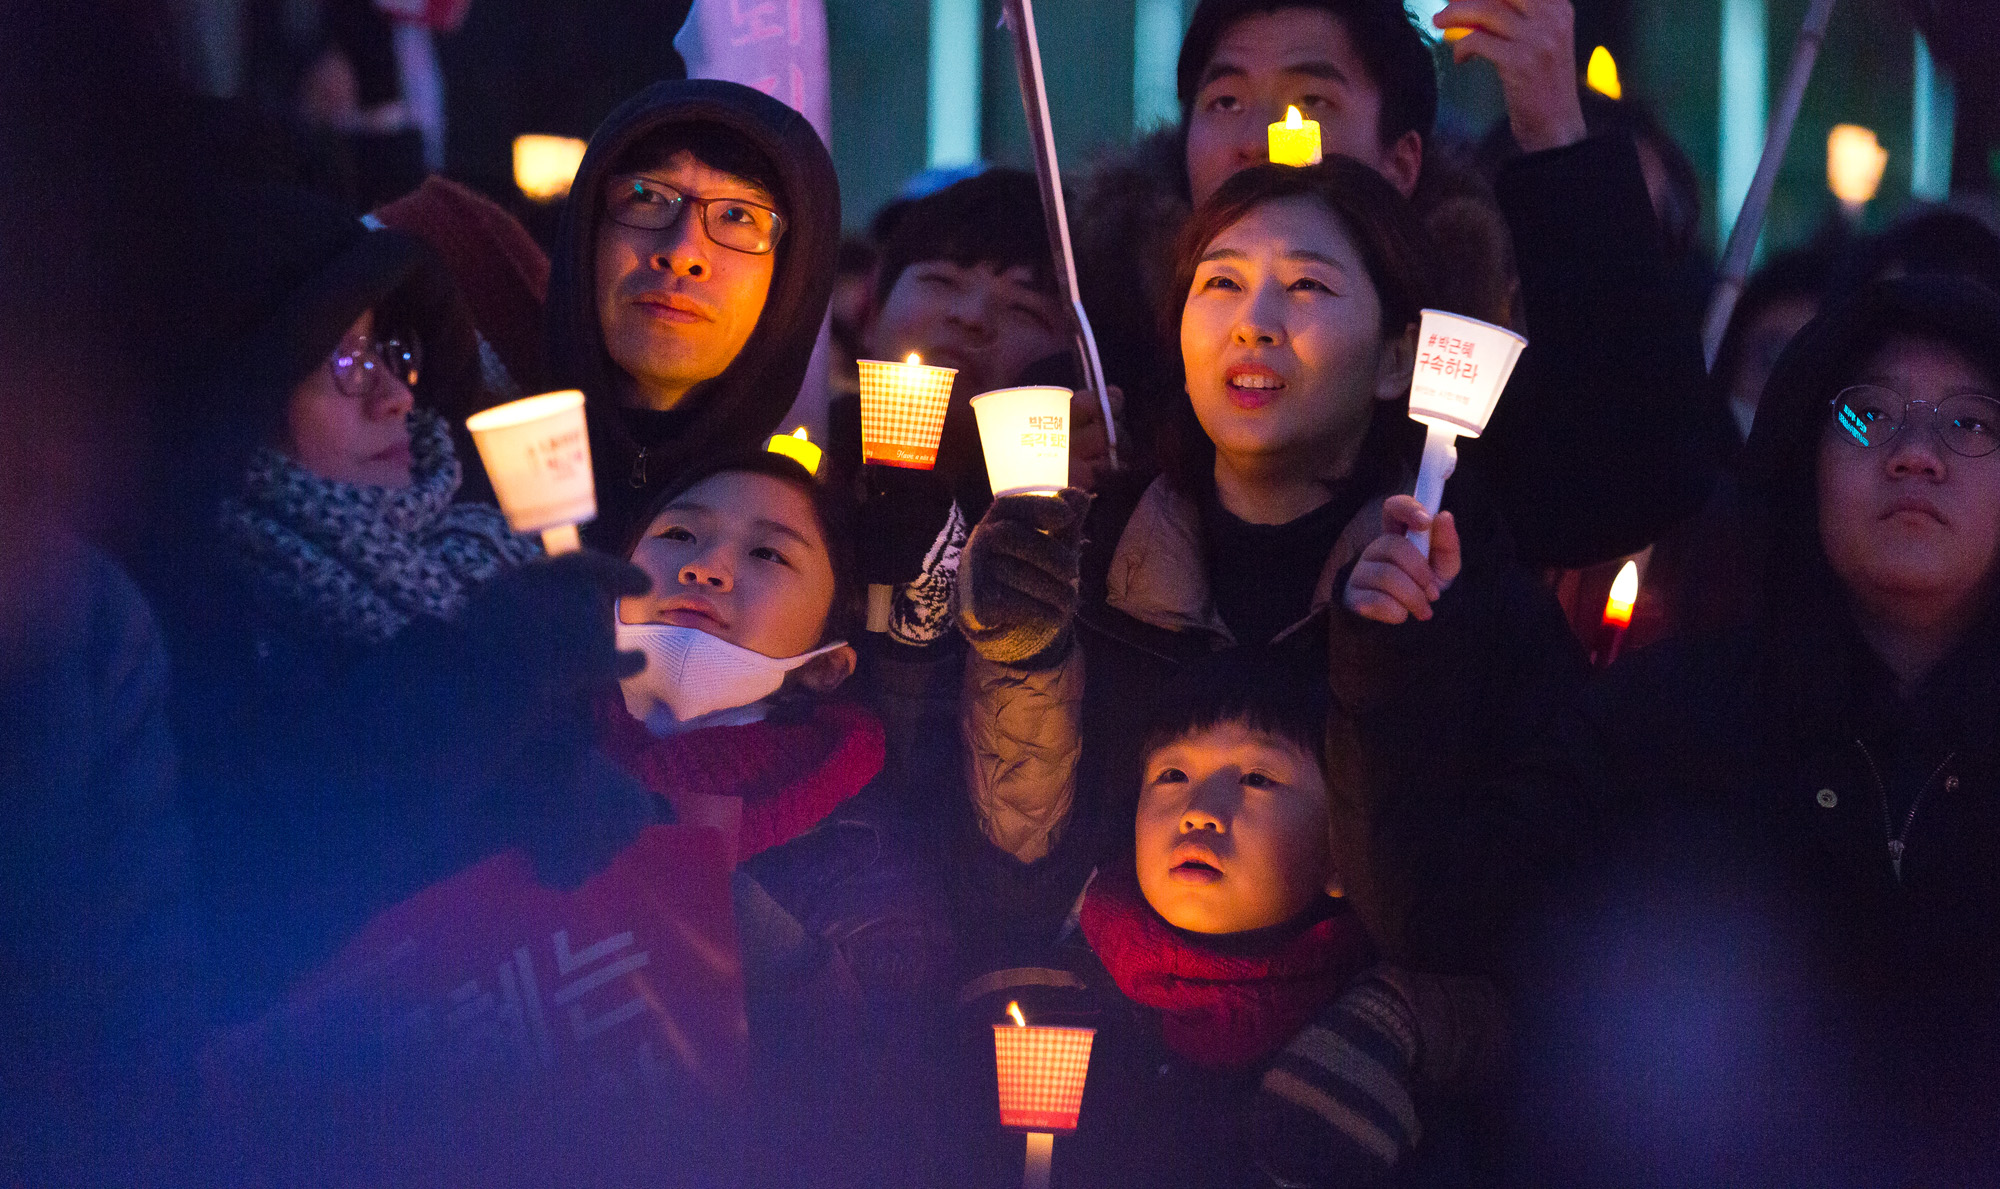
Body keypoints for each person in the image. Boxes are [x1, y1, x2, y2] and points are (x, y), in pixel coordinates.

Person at [131, 183, 655, 1027]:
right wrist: (485, 681)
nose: (396, 398)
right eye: (345, 365)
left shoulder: (476, 550)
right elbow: (262, 885)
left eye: (393, 353)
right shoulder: (187, 612)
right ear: (240, 405)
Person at [1529, 277, 2000, 1185]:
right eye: (1866, 416)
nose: (1914, 455)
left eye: (1971, 424)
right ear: (1803, 457)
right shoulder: (1666, 730)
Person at [1075, 0, 1722, 569]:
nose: (1262, 140)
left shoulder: (1470, 373)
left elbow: (1639, 479)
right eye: (1225, 102)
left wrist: (1554, 128)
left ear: (1401, 161)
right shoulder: (1100, 345)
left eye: (1310, 103)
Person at [599, 450, 950, 1189]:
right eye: (678, 536)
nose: (707, 567)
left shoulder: (862, 855)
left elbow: (879, 1112)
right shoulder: (502, 748)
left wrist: (707, 896)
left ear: (827, 663)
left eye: (766, 552)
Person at [543, 78, 841, 550]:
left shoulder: (839, 524)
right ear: (586, 230)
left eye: (739, 215)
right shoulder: (458, 478)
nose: (682, 252)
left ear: (794, 274)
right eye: (646, 196)